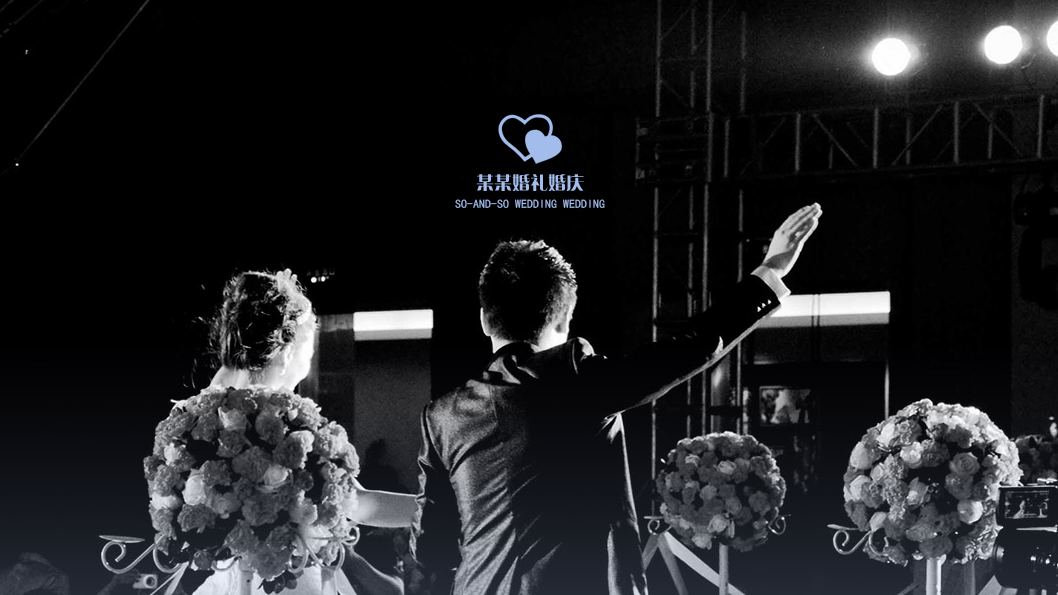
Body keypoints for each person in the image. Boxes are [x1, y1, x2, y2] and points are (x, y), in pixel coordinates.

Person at [411, 204, 822, 595]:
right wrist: (770, 271)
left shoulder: (440, 416)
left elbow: (431, 547)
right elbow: (689, 348)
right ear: (565, 318)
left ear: (484, 319)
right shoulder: (575, 378)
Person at [190, 270, 413, 595]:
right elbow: (361, 505)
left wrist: (270, 305)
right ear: (289, 348)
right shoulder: (289, 427)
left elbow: (228, 372)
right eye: (310, 343)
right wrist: (441, 508)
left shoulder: (205, 416)